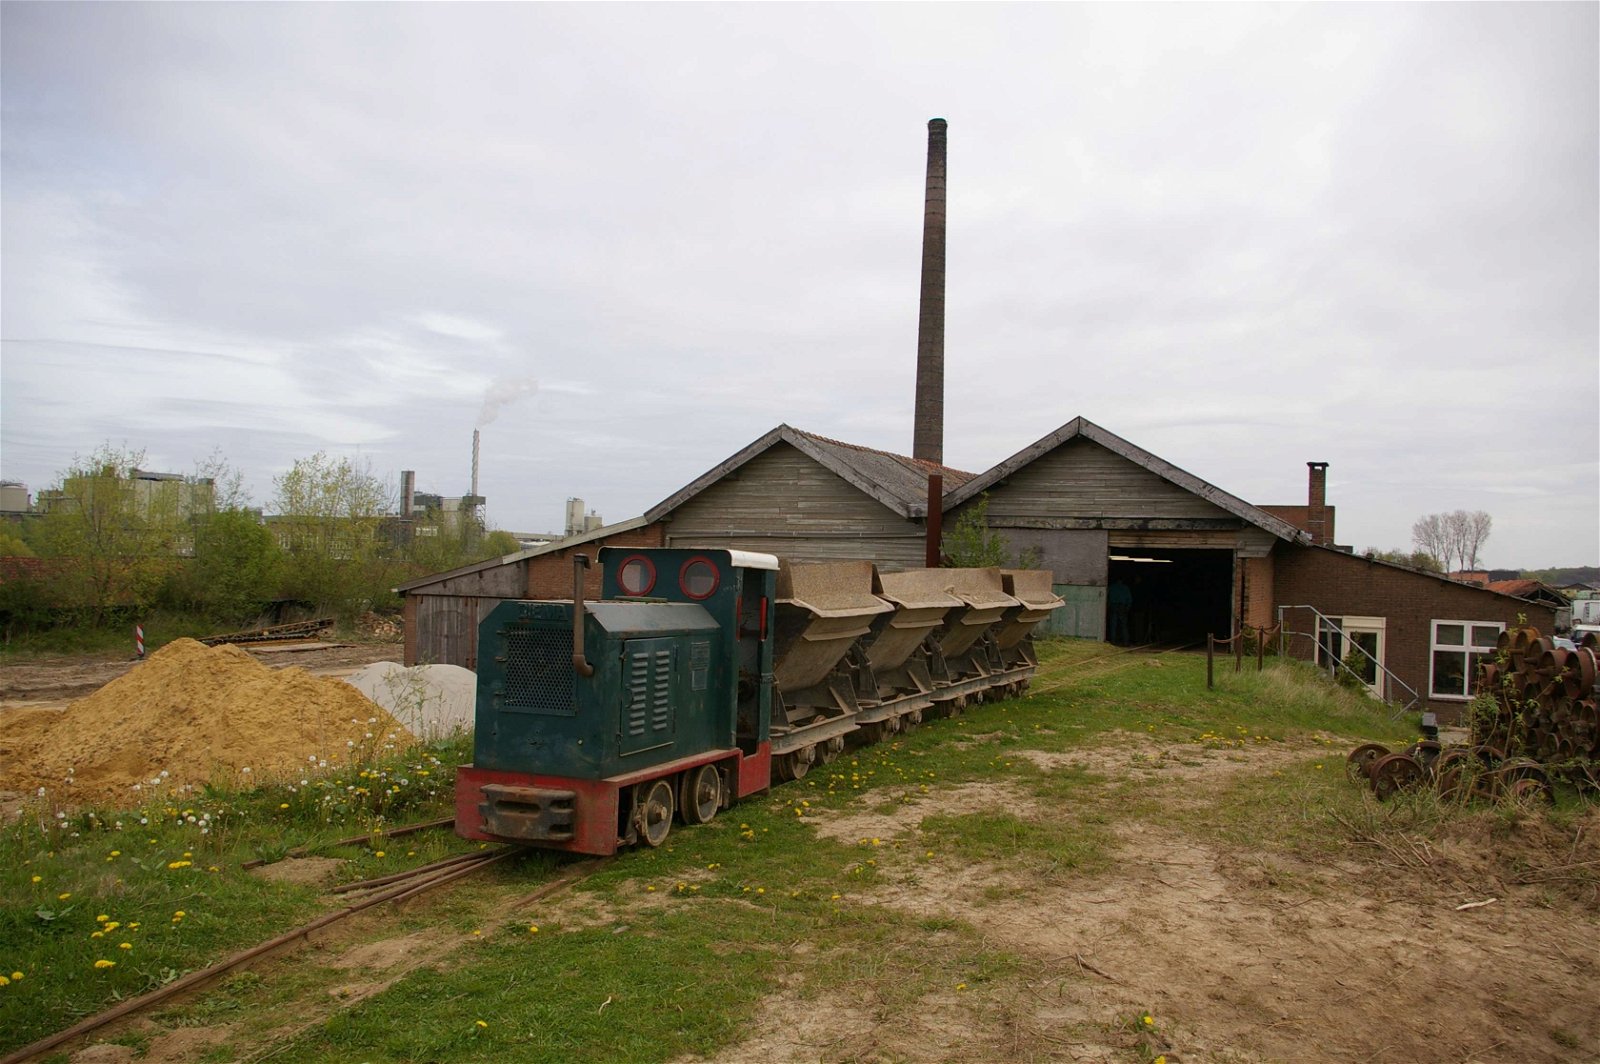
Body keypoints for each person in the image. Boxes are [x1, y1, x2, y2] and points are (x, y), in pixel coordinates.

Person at [1108, 579, 1132, 645]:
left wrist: (1108, 606)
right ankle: (1125, 641)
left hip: (1113, 606)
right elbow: (1129, 599)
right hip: (1122, 607)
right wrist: (1127, 608)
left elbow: (1107, 597)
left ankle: (1113, 641)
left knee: (1113, 625)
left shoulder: (1111, 587)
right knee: (1123, 625)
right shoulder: (1125, 588)